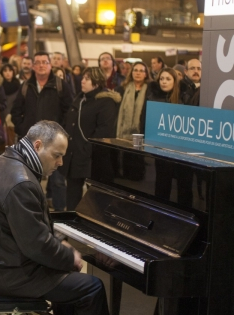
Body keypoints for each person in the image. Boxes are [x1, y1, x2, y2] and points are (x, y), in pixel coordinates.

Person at [0, 120, 137, 315]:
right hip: (9, 274)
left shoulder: (9, 162)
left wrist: (71, 248)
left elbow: (32, 230)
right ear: (38, 146)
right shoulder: (22, 182)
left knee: (67, 273)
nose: (60, 163)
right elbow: (36, 244)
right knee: (91, 287)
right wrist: (69, 255)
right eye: (57, 155)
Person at [11, 51, 72, 211]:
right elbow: (16, 111)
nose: (41, 66)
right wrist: (23, 129)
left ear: (50, 65)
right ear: (33, 66)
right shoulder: (26, 86)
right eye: (37, 62)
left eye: (44, 62)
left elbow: (69, 111)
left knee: (57, 181)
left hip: (54, 142)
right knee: (29, 179)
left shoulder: (60, 85)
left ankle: (59, 217)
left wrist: (62, 134)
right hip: (31, 142)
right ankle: (31, 212)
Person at [61, 68, 120, 210]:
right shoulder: (80, 98)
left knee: (96, 202)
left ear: (97, 82)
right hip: (74, 157)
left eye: (87, 79)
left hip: (93, 159)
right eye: (83, 78)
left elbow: (104, 131)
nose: (82, 81)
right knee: (72, 198)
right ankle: (71, 226)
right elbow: (69, 123)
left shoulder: (106, 102)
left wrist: (86, 150)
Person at [140, 67, 180, 133]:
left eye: (168, 79)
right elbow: (143, 120)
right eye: (161, 79)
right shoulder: (151, 98)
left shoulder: (180, 100)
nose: (164, 82)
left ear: (174, 81)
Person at [116, 61, 149, 139]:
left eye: (141, 71)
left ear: (146, 74)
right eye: (135, 70)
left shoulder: (150, 91)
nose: (138, 73)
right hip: (123, 133)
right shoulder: (122, 89)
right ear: (131, 72)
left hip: (141, 133)